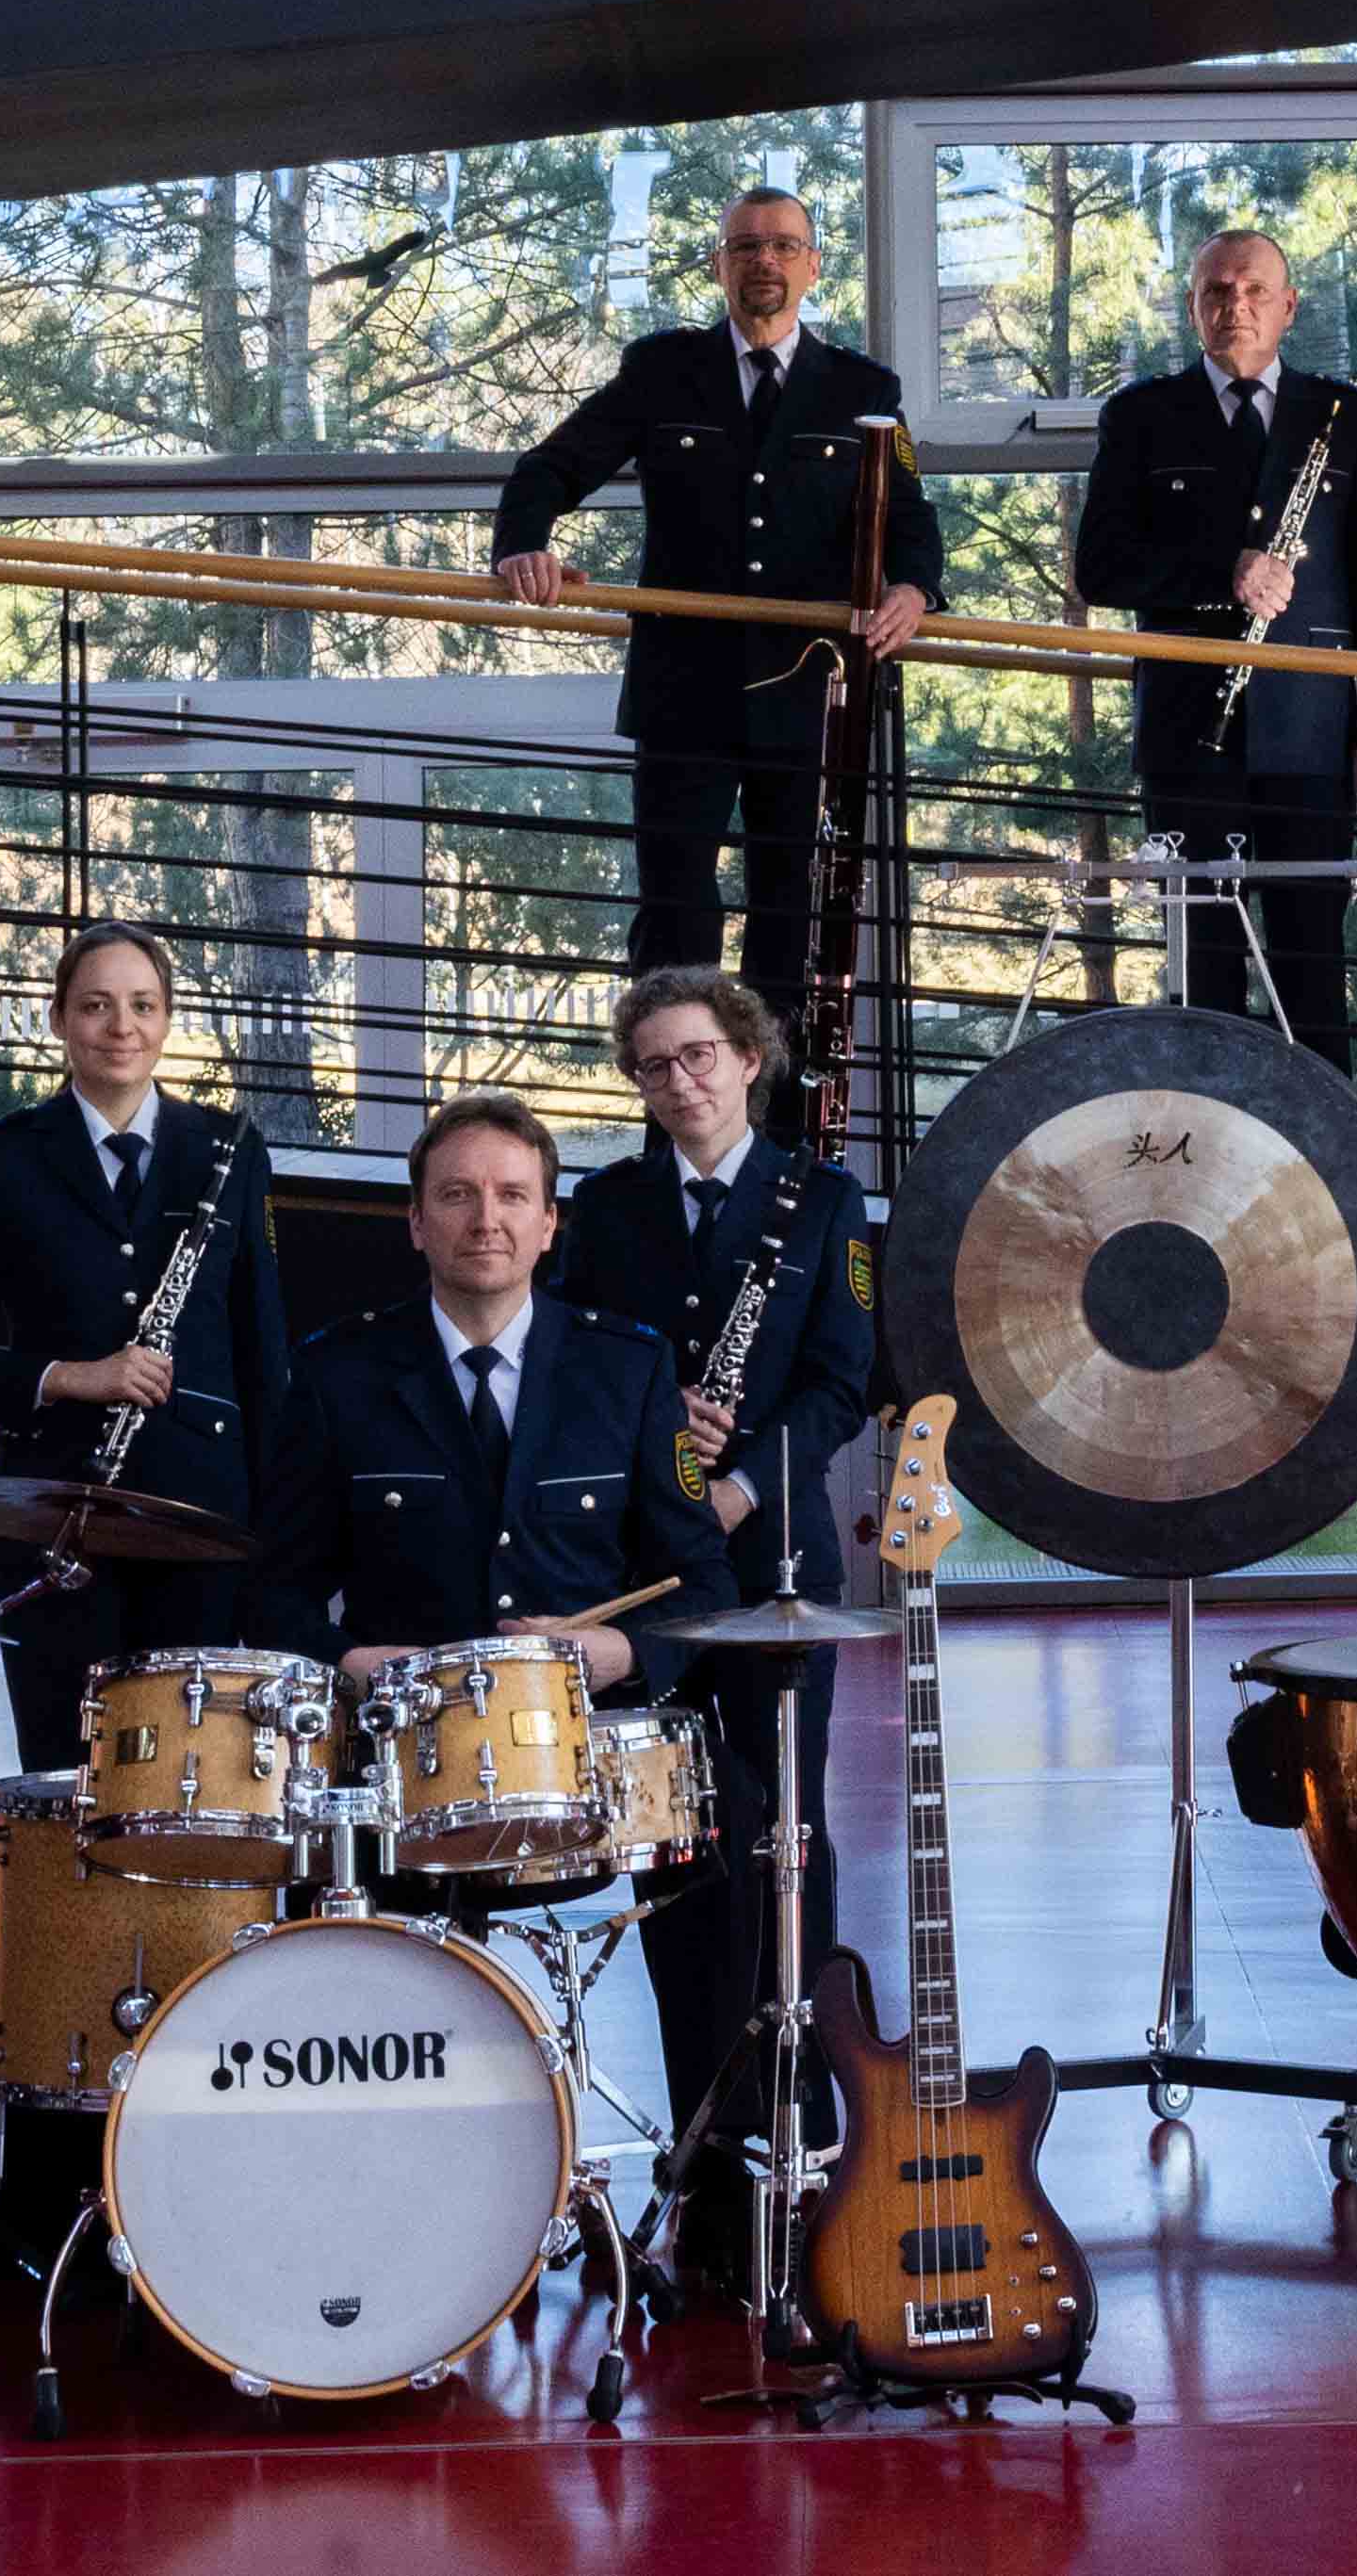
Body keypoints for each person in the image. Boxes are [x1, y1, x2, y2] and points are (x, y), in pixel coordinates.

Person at [548, 969, 885, 2278]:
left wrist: (735, 1479)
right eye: (653, 1063)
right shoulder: (607, 1208)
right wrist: (657, 1436)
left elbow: (841, 1381)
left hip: (773, 1551)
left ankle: (801, 2127)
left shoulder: (823, 1199)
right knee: (676, 1839)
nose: (678, 1080)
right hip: (658, 1571)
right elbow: (578, 1362)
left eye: (698, 1054)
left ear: (750, 1059)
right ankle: (704, 2125)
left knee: (782, 1830)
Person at [489, 182, 942, 1018]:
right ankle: (672, 1091)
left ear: (812, 267)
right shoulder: (664, 370)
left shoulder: (862, 388)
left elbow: (908, 514)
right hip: (682, 689)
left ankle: (768, 1099)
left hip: (806, 691)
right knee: (674, 910)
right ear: (717, 266)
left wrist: (914, 588)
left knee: (790, 911)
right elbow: (550, 466)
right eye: (744, 246)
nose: (763, 260)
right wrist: (524, 543)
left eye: (781, 246)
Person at [0, 922, 286, 1772]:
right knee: (64, 1778)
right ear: (58, 1020)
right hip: (53, 1519)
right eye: (96, 1006)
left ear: (167, 1019)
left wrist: (270, 1538)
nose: (121, 1027)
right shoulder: (5, 1157)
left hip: (201, 1522)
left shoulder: (227, 1148)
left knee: (190, 1781)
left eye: (142, 1006)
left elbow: (264, 1358)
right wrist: (71, 1377)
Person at [1066, 223, 1357, 1063]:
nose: (1236, 305)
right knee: (1202, 973)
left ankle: (1318, 1146)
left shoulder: (1346, 415)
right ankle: (1203, 1139)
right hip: (1187, 732)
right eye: (1217, 291)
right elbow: (1101, 569)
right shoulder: (1140, 415)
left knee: (1311, 970)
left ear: (1288, 306)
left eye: (1255, 290)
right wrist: (1224, 572)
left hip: (1314, 730)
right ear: (1192, 307)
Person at [252, 1093, 711, 1696]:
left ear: (548, 1224)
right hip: (399, 1733)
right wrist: (348, 1663)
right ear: (417, 1223)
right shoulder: (337, 1374)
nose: (486, 1220)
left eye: (512, 1195)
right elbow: (272, 1594)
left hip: (581, 1733)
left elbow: (704, 1580)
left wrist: (624, 1651)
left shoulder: (629, 1371)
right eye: (457, 1194)